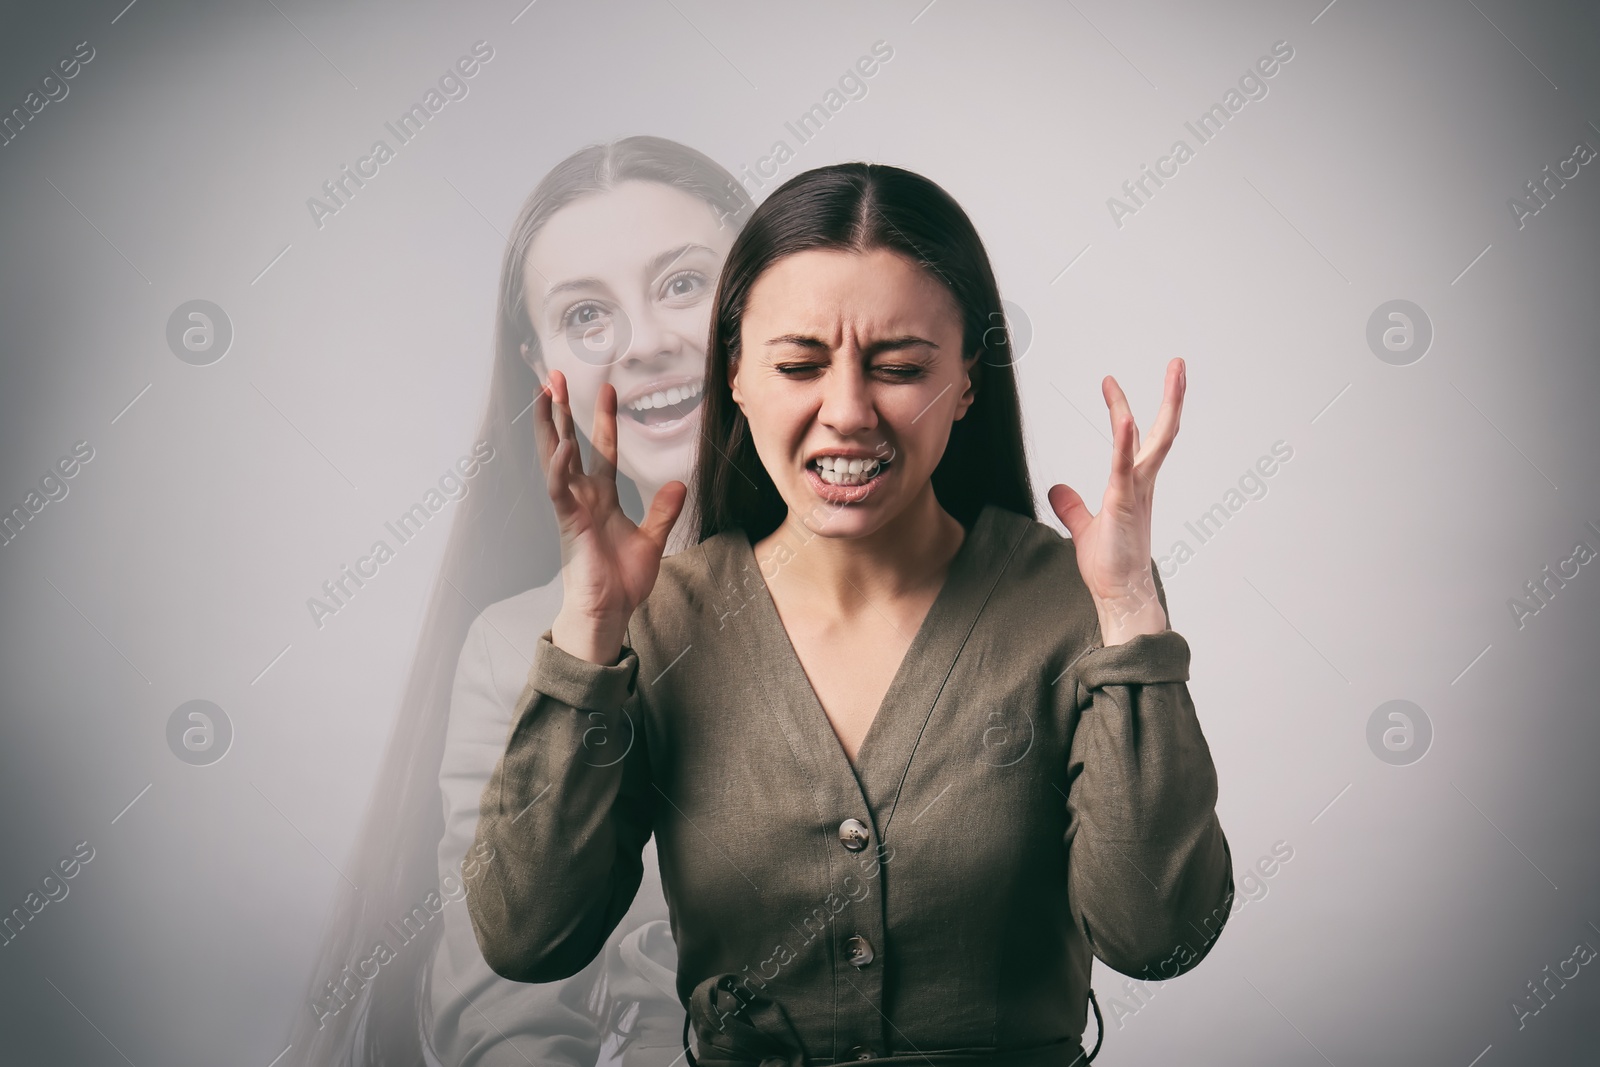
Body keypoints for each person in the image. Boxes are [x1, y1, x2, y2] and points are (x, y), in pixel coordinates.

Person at [465, 161, 1235, 1066]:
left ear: (970, 380)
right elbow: (527, 937)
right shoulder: (659, 624)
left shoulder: (1075, 607)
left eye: (900, 368)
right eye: (797, 365)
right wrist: (592, 629)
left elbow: (1159, 939)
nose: (848, 414)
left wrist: (1133, 613)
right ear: (735, 378)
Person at [285, 135, 752, 1067]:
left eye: (682, 284)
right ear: (544, 364)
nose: (646, 341)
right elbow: (508, 1014)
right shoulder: (519, 648)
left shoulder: (942, 579)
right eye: (588, 313)